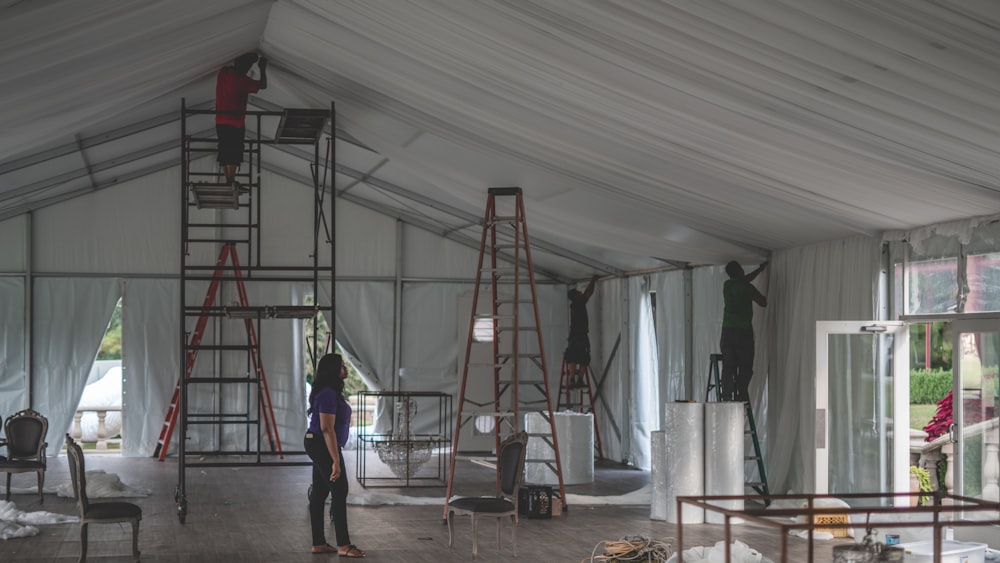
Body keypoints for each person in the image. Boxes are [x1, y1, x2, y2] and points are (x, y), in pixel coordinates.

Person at [304, 353, 366, 558]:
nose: (345, 369)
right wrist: (336, 461)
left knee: (321, 493)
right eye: (341, 366)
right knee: (340, 490)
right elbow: (327, 429)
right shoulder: (328, 393)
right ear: (333, 370)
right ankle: (344, 545)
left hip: (318, 442)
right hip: (321, 443)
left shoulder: (330, 392)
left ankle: (318, 543)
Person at [215, 52, 267, 189]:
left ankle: (228, 180)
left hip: (220, 120)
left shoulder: (224, 73)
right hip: (235, 122)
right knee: (234, 152)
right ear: (245, 67)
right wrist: (262, 68)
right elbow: (262, 85)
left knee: (224, 150)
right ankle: (230, 181)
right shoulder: (242, 81)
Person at [720, 261, 768, 402]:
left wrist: (759, 271)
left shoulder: (727, 286)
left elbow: (742, 281)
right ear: (740, 271)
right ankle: (741, 393)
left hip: (727, 332)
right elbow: (763, 303)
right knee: (745, 366)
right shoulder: (748, 288)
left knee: (728, 366)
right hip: (743, 332)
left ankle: (727, 395)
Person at [564, 274, 600, 389]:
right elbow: (588, 293)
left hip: (574, 336)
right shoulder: (579, 303)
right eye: (578, 293)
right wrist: (593, 280)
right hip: (581, 336)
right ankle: (579, 379)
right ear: (575, 297)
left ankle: (572, 379)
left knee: (572, 356)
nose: (580, 293)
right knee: (584, 358)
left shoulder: (574, 305)